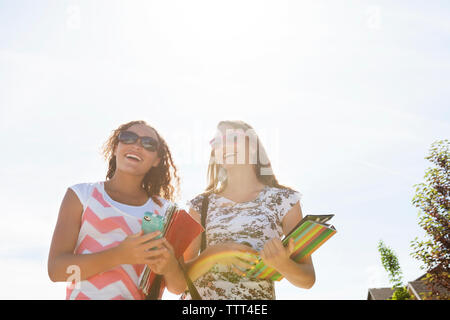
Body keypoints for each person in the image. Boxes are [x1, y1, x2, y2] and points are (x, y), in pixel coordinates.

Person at [47, 120, 187, 299]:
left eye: (148, 144)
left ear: (156, 161)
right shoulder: (81, 196)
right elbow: (56, 271)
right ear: (115, 148)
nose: (137, 146)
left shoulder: (166, 211)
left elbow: (179, 287)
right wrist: (119, 256)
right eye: (128, 138)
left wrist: (169, 267)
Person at [182, 120, 316, 299]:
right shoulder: (200, 205)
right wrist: (214, 254)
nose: (224, 146)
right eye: (217, 142)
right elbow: (180, 280)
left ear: (252, 145)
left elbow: (307, 279)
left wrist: (282, 263)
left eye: (232, 138)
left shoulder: (284, 200)